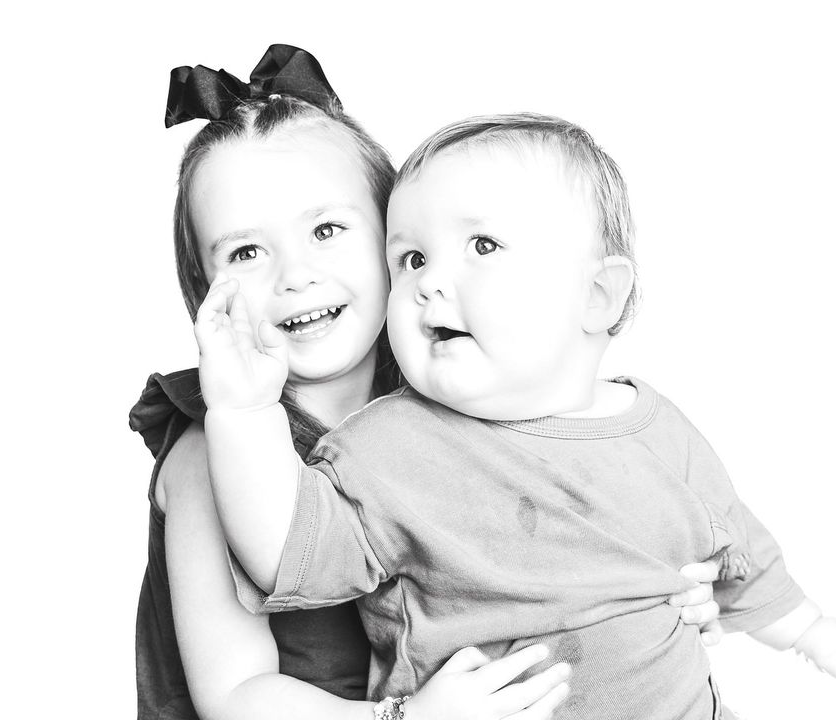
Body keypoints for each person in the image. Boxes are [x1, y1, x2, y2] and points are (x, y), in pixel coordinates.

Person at [195, 113, 836, 719]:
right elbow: (285, 548)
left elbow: (737, 545)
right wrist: (243, 410)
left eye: (482, 247)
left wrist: (807, 630)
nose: (429, 281)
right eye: (411, 258)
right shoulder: (385, 448)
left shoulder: (657, 428)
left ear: (597, 297)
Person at [133, 47, 724, 720]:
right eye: (245, 252)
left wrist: (663, 592)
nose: (295, 275)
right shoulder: (213, 452)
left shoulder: (454, 394)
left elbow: (559, 538)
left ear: (398, 239)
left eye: (326, 230)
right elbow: (234, 696)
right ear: (205, 288)